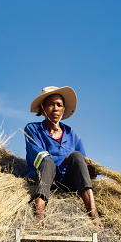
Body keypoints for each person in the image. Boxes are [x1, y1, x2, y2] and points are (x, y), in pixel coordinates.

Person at [24, 86, 103, 228]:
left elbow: (80, 163)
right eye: (50, 104)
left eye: (59, 105)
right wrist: (64, 159)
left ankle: (93, 213)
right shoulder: (32, 130)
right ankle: (39, 213)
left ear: (63, 110)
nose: (55, 108)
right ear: (42, 109)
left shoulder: (72, 135)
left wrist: (90, 168)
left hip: (68, 182)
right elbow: (39, 157)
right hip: (44, 179)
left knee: (77, 156)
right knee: (48, 163)